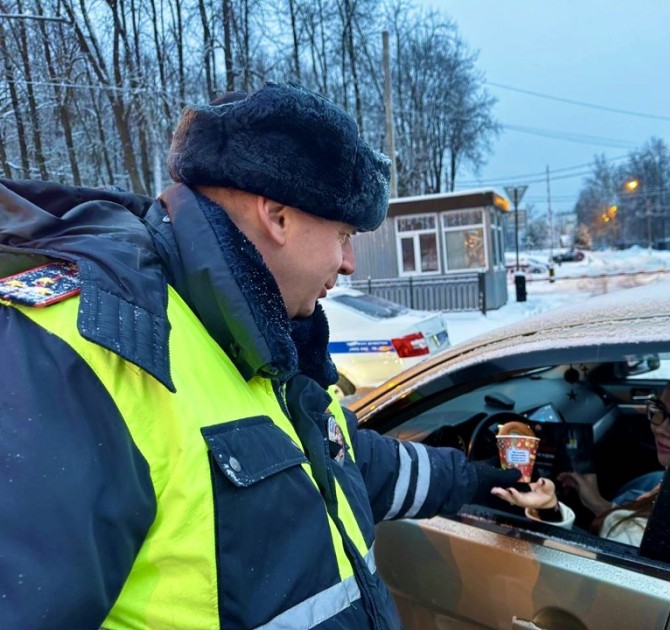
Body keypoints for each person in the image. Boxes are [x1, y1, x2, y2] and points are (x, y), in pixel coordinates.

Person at [0, 82, 521, 629]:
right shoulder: (87, 352)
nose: (349, 263)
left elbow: (348, 461)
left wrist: (479, 478)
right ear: (276, 217)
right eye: (344, 234)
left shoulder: (254, 334)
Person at [493, 365, 670, 546]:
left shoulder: (638, 533)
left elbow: (578, 575)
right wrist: (597, 503)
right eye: (659, 409)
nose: (659, 427)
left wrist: (549, 509)